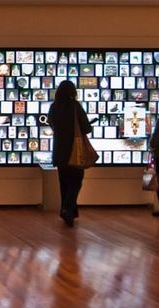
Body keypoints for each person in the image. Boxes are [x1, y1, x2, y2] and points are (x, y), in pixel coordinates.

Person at [47, 80, 92, 227]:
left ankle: (68, 211)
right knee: (76, 181)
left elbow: (52, 124)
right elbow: (86, 128)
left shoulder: (54, 106)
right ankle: (68, 209)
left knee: (64, 182)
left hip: (60, 149)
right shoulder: (75, 106)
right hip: (75, 149)